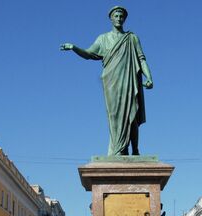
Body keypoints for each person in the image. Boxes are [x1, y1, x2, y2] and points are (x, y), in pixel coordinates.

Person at [61, 6, 153, 156]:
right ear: (111, 18)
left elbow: (141, 59)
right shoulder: (103, 39)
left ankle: (135, 149)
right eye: (116, 16)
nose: (118, 18)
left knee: (132, 115)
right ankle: (119, 149)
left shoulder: (132, 38)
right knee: (115, 116)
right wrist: (74, 48)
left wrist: (149, 77)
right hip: (111, 81)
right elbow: (89, 53)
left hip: (129, 80)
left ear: (124, 19)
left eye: (121, 16)